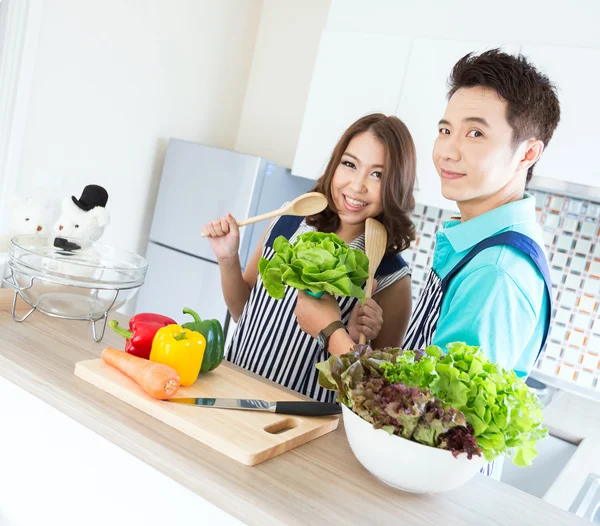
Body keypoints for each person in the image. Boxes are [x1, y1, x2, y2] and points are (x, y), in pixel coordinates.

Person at [297, 48, 558, 383]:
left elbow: (435, 420)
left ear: (528, 153)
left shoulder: (495, 272)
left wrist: (331, 331)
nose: (447, 151)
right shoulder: (475, 246)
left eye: (475, 133)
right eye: (446, 130)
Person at [202, 113, 417, 402]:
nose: (357, 185)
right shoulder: (289, 221)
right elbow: (244, 312)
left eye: (377, 174)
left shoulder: (391, 278)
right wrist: (228, 258)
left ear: (396, 185)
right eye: (350, 164)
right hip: (234, 389)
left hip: (302, 423)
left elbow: (374, 392)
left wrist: (354, 337)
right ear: (335, 164)